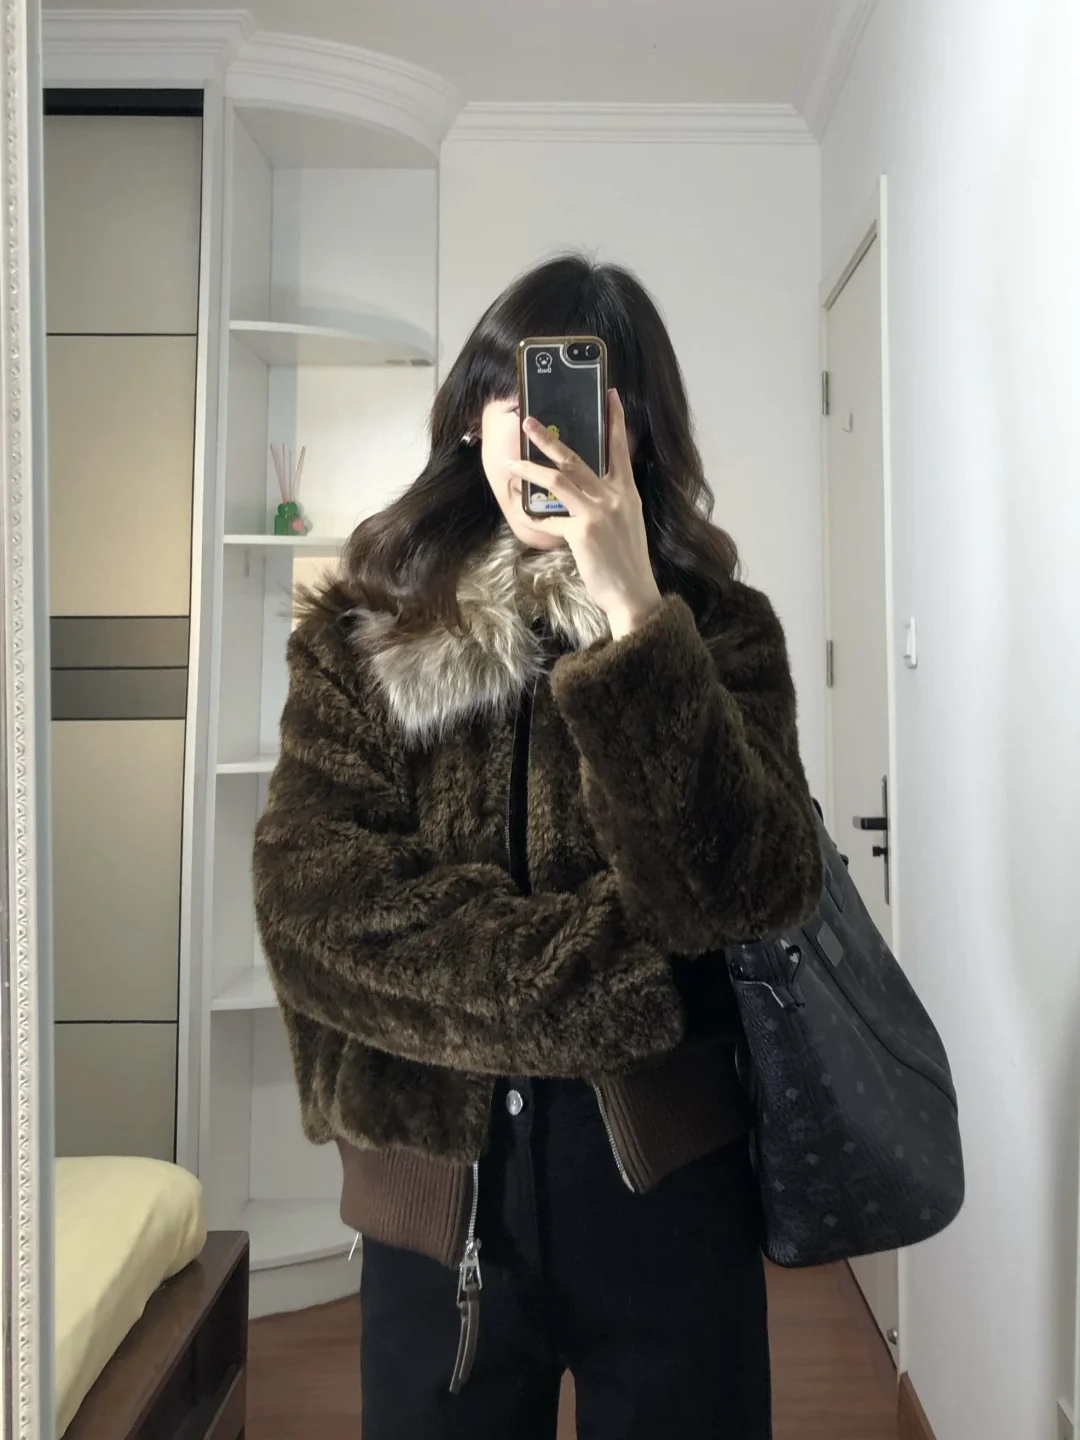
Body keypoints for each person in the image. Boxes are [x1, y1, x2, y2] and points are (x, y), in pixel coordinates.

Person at [252, 252, 823, 1440]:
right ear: (473, 414)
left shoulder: (718, 635)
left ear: (635, 431)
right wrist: (600, 982)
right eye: (514, 393)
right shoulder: (362, 636)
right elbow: (313, 908)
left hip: (669, 1196)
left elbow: (746, 890)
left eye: (578, 397)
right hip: (433, 1209)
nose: (539, 429)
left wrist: (636, 619)